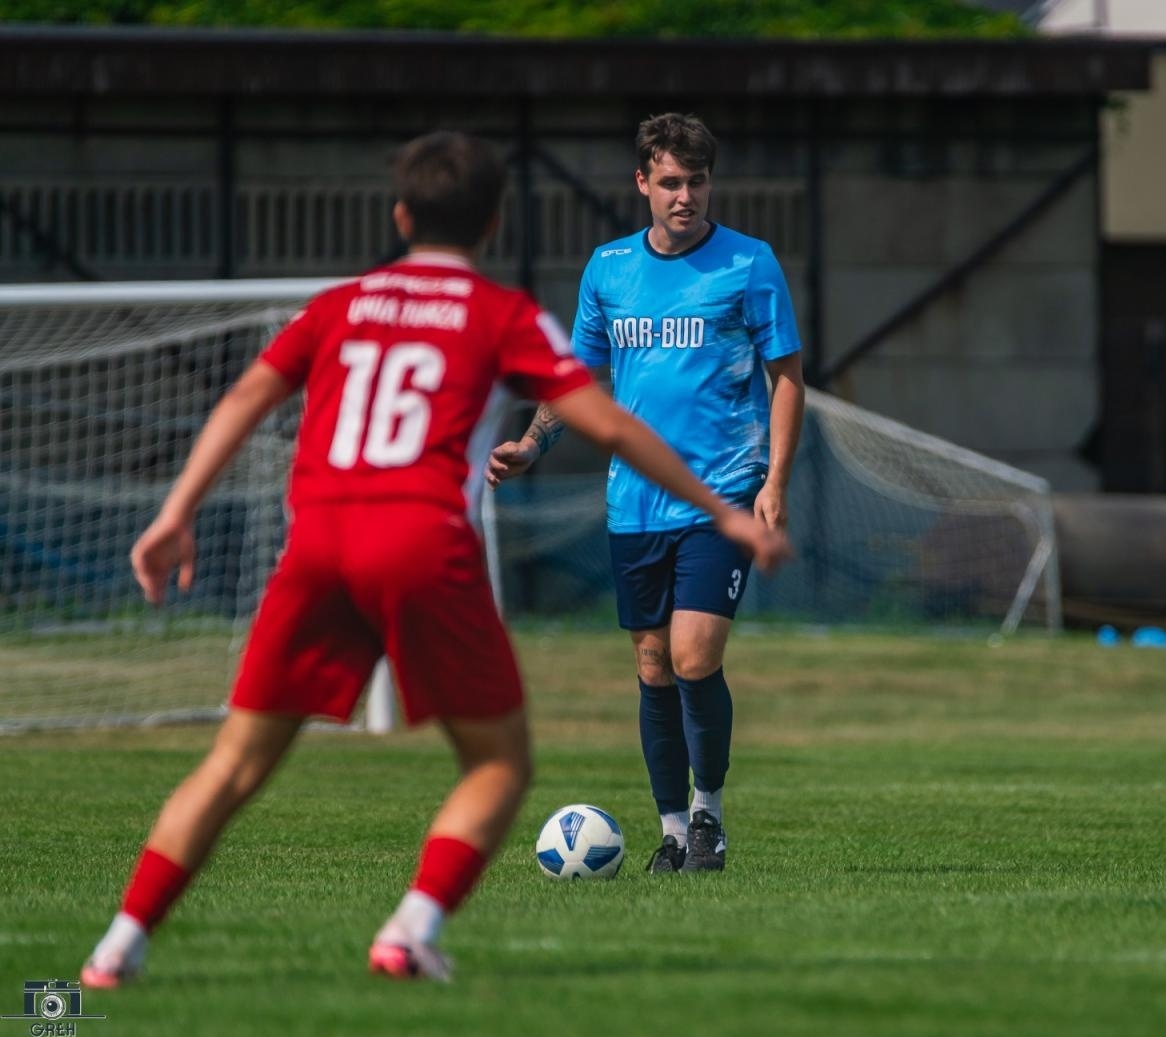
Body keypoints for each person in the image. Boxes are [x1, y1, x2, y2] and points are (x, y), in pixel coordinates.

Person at [79, 130, 790, 986]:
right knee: (499, 763)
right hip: (420, 542)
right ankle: (409, 930)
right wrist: (727, 512)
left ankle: (117, 944)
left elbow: (246, 395)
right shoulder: (501, 315)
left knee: (231, 763)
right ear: (493, 222)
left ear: (401, 214)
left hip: (317, 543)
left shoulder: (341, 304)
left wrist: (174, 511)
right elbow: (609, 421)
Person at [487, 113, 805, 875]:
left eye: (696, 181)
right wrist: (532, 445)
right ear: (643, 183)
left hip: (721, 495)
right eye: (670, 181)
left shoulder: (750, 264)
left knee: (696, 654)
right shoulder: (609, 270)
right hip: (633, 503)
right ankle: (669, 830)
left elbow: (786, 377)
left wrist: (774, 483)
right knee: (655, 661)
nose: (684, 195)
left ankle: (709, 819)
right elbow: (578, 381)